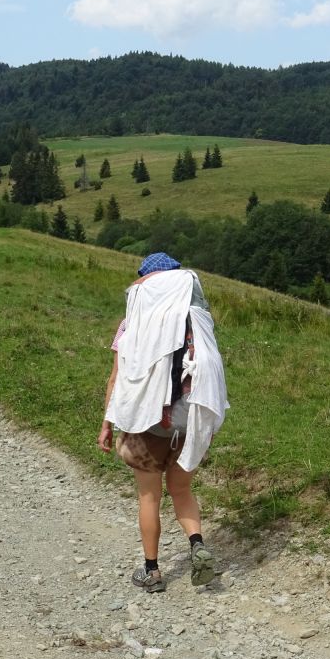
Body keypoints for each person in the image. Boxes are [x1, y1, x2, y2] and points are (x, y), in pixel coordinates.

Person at [97, 252, 228, 593]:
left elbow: (118, 379)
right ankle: (197, 544)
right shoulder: (197, 325)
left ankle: (152, 571)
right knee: (182, 489)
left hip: (148, 425)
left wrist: (108, 424)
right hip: (189, 421)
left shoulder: (131, 326)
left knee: (149, 497)